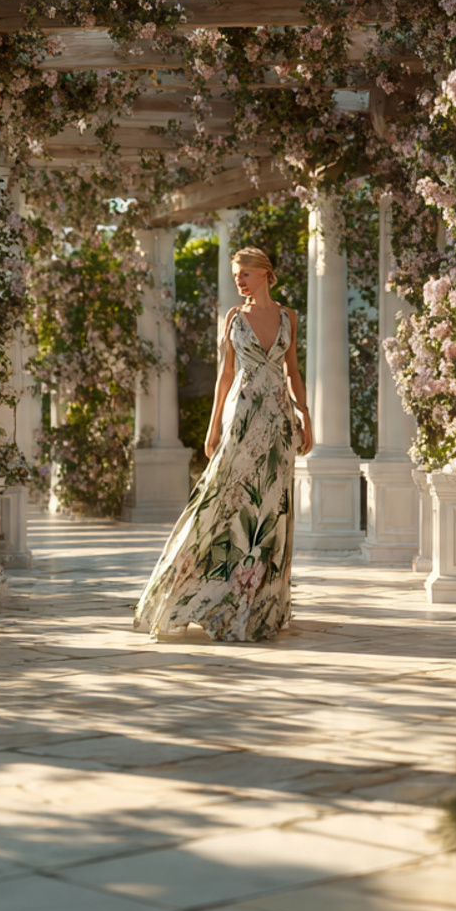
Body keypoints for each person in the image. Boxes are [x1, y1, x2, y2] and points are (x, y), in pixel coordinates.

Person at [133, 246, 313, 642]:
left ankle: (260, 604)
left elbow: (293, 369)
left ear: (265, 273)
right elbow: (225, 375)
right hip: (242, 418)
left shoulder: (288, 317)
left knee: (272, 509)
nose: (239, 280)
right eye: (236, 275)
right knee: (224, 502)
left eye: (244, 273)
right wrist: (213, 427)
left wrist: (305, 415)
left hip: (279, 422)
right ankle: (205, 595)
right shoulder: (233, 318)